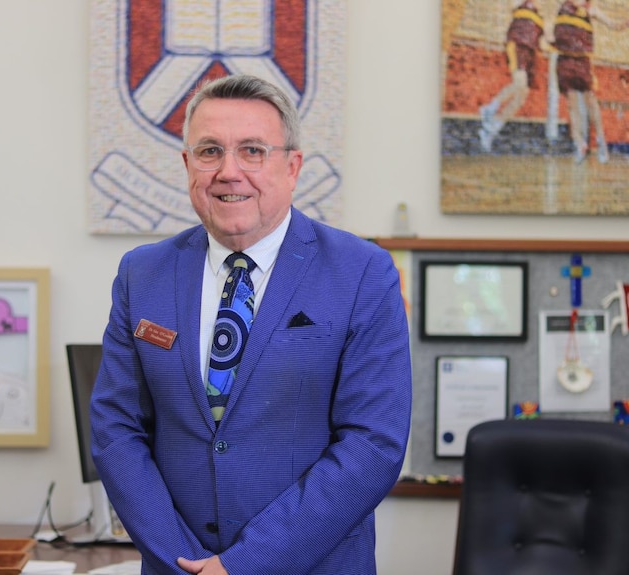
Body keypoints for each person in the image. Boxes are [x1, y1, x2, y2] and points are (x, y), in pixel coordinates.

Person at [89, 74, 412, 575]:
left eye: (253, 151)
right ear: (187, 165)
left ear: (292, 166)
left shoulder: (362, 272)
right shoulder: (142, 274)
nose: (228, 171)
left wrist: (243, 565)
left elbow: (373, 445)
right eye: (210, 151)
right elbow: (115, 429)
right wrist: (184, 561)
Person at [552, 0, 629, 163]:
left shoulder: (591, 10)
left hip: (582, 62)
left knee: (590, 101)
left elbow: (611, 24)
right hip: (565, 60)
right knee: (572, 104)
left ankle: (601, 141)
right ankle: (579, 144)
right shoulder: (564, 5)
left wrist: (622, 25)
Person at [479, 0, 549, 152]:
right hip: (517, 44)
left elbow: (546, 40)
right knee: (519, 83)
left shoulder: (540, 17)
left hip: (531, 53)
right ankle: (490, 108)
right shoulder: (521, 4)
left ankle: (492, 128)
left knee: (522, 95)